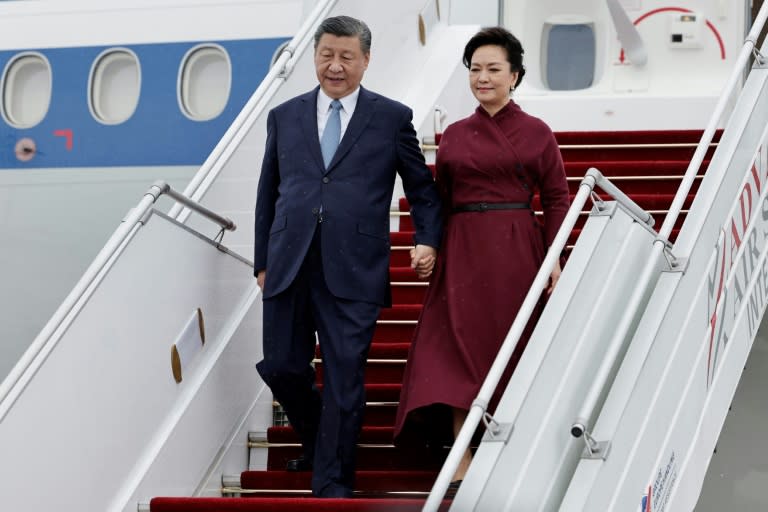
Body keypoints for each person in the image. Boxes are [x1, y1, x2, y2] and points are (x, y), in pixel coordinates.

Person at [253, 15, 442, 498]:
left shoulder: (391, 117)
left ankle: (332, 482)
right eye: (326, 56)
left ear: (365, 60)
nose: (335, 66)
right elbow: (268, 191)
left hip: (355, 265)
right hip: (288, 261)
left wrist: (427, 237)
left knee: (343, 377)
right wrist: (261, 259)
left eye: (346, 57)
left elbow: (421, 188)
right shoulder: (285, 115)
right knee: (281, 367)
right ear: (315, 56)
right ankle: (321, 444)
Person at [393, 27, 570, 489]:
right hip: (463, 247)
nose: (483, 77)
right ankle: (462, 447)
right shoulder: (452, 134)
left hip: (516, 247)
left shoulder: (537, 133)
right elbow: (440, 198)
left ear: (515, 76)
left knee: (510, 343)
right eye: (475, 69)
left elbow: (555, 198)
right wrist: (428, 243)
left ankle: (509, 441)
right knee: (457, 347)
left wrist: (554, 255)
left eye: (493, 69)